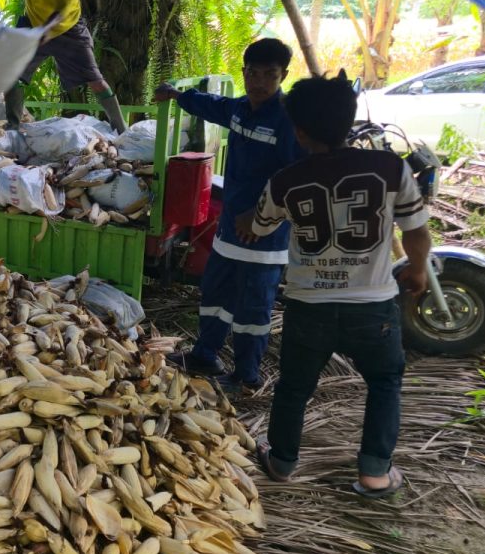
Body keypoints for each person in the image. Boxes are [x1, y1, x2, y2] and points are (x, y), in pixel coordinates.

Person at [239, 71, 430, 497]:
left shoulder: (286, 180)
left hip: (310, 306)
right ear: (350, 119)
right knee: (384, 382)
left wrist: (245, 223)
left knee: (293, 386)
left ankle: (283, 461)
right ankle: (375, 473)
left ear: (299, 131)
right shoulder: (389, 168)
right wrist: (416, 269)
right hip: (374, 306)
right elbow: (415, 229)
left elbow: (261, 225)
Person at [153, 38, 304, 391]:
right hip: (229, 232)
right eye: (253, 73)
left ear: (283, 76)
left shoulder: (287, 122)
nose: (260, 82)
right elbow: (213, 105)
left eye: (270, 74)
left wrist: (261, 214)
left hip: (265, 238)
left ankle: (245, 374)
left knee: (253, 308)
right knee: (215, 294)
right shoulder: (239, 110)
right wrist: (176, 95)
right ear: (244, 73)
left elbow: (294, 178)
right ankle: (206, 353)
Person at [0, 0, 127, 134]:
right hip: (33, 23)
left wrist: (46, 30)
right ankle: (13, 127)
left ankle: (121, 129)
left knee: (95, 80)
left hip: (67, 27)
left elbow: (63, 8)